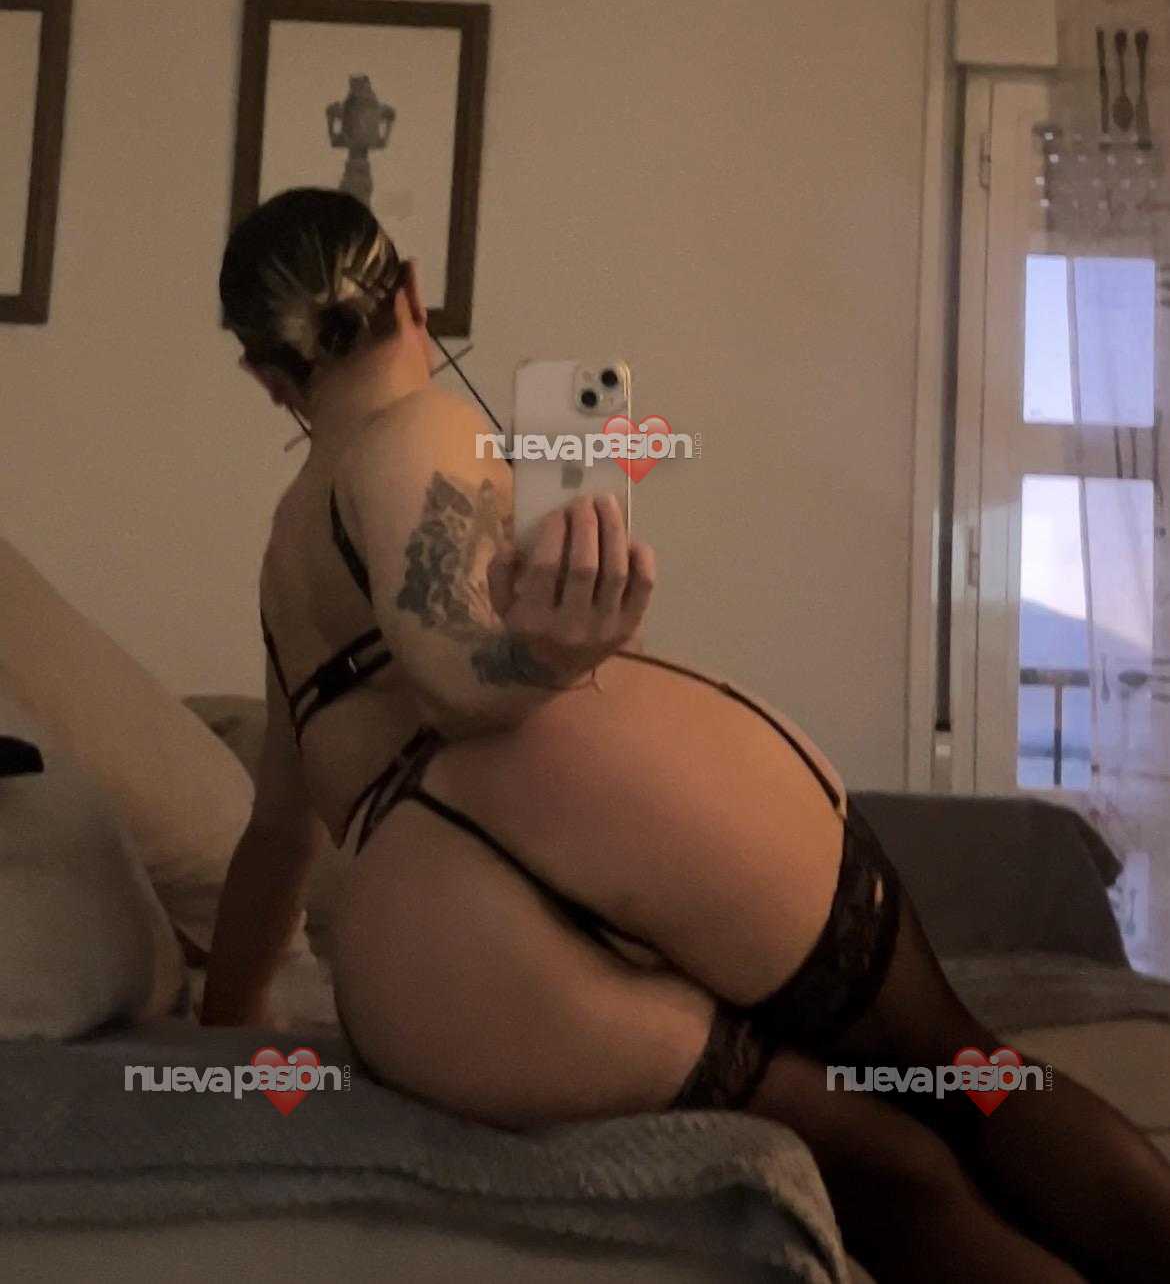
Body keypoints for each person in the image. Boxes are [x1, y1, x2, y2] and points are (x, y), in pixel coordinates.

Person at [207, 186, 1170, 1283]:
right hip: (548, 787)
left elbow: (278, 833)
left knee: (866, 1161)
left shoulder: (284, 555)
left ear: (267, 373)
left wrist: (223, 1025)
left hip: (419, 942)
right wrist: (540, 658)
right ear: (413, 293)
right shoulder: (418, 427)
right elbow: (459, 673)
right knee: (956, 1073)